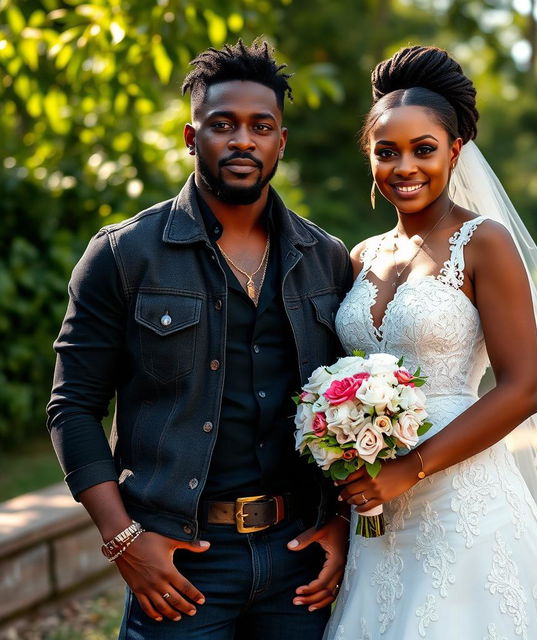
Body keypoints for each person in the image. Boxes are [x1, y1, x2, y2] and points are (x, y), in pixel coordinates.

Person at [325, 45, 537, 639]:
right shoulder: (361, 255)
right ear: (369, 156)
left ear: (455, 152)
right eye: (386, 152)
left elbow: (522, 390)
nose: (404, 167)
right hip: (375, 509)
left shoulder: (483, 242)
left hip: (459, 495)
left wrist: (409, 469)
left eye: (424, 149)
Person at [47, 39, 351, 640]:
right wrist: (123, 539)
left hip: (300, 561)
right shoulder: (123, 255)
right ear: (192, 139)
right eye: (223, 125)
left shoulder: (327, 260)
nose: (243, 140)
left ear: (280, 143)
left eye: (260, 126)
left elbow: (342, 412)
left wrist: (341, 524)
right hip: (180, 562)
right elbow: (72, 407)